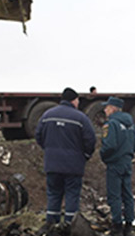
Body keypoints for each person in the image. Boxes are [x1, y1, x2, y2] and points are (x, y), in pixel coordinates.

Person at [35, 87, 96, 224]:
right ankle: (70, 226)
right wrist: (85, 155)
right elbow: (90, 140)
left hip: (52, 164)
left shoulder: (47, 115)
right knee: (72, 195)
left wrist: (49, 150)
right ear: (74, 100)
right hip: (73, 166)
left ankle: (51, 225)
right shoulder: (81, 118)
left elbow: (38, 136)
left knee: (53, 195)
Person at [100, 96, 135, 236]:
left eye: (106, 107)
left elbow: (109, 145)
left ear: (113, 109)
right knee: (127, 194)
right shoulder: (130, 123)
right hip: (127, 162)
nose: (104, 110)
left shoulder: (111, 124)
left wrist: (103, 156)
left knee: (114, 195)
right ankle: (128, 228)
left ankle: (117, 228)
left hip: (115, 163)